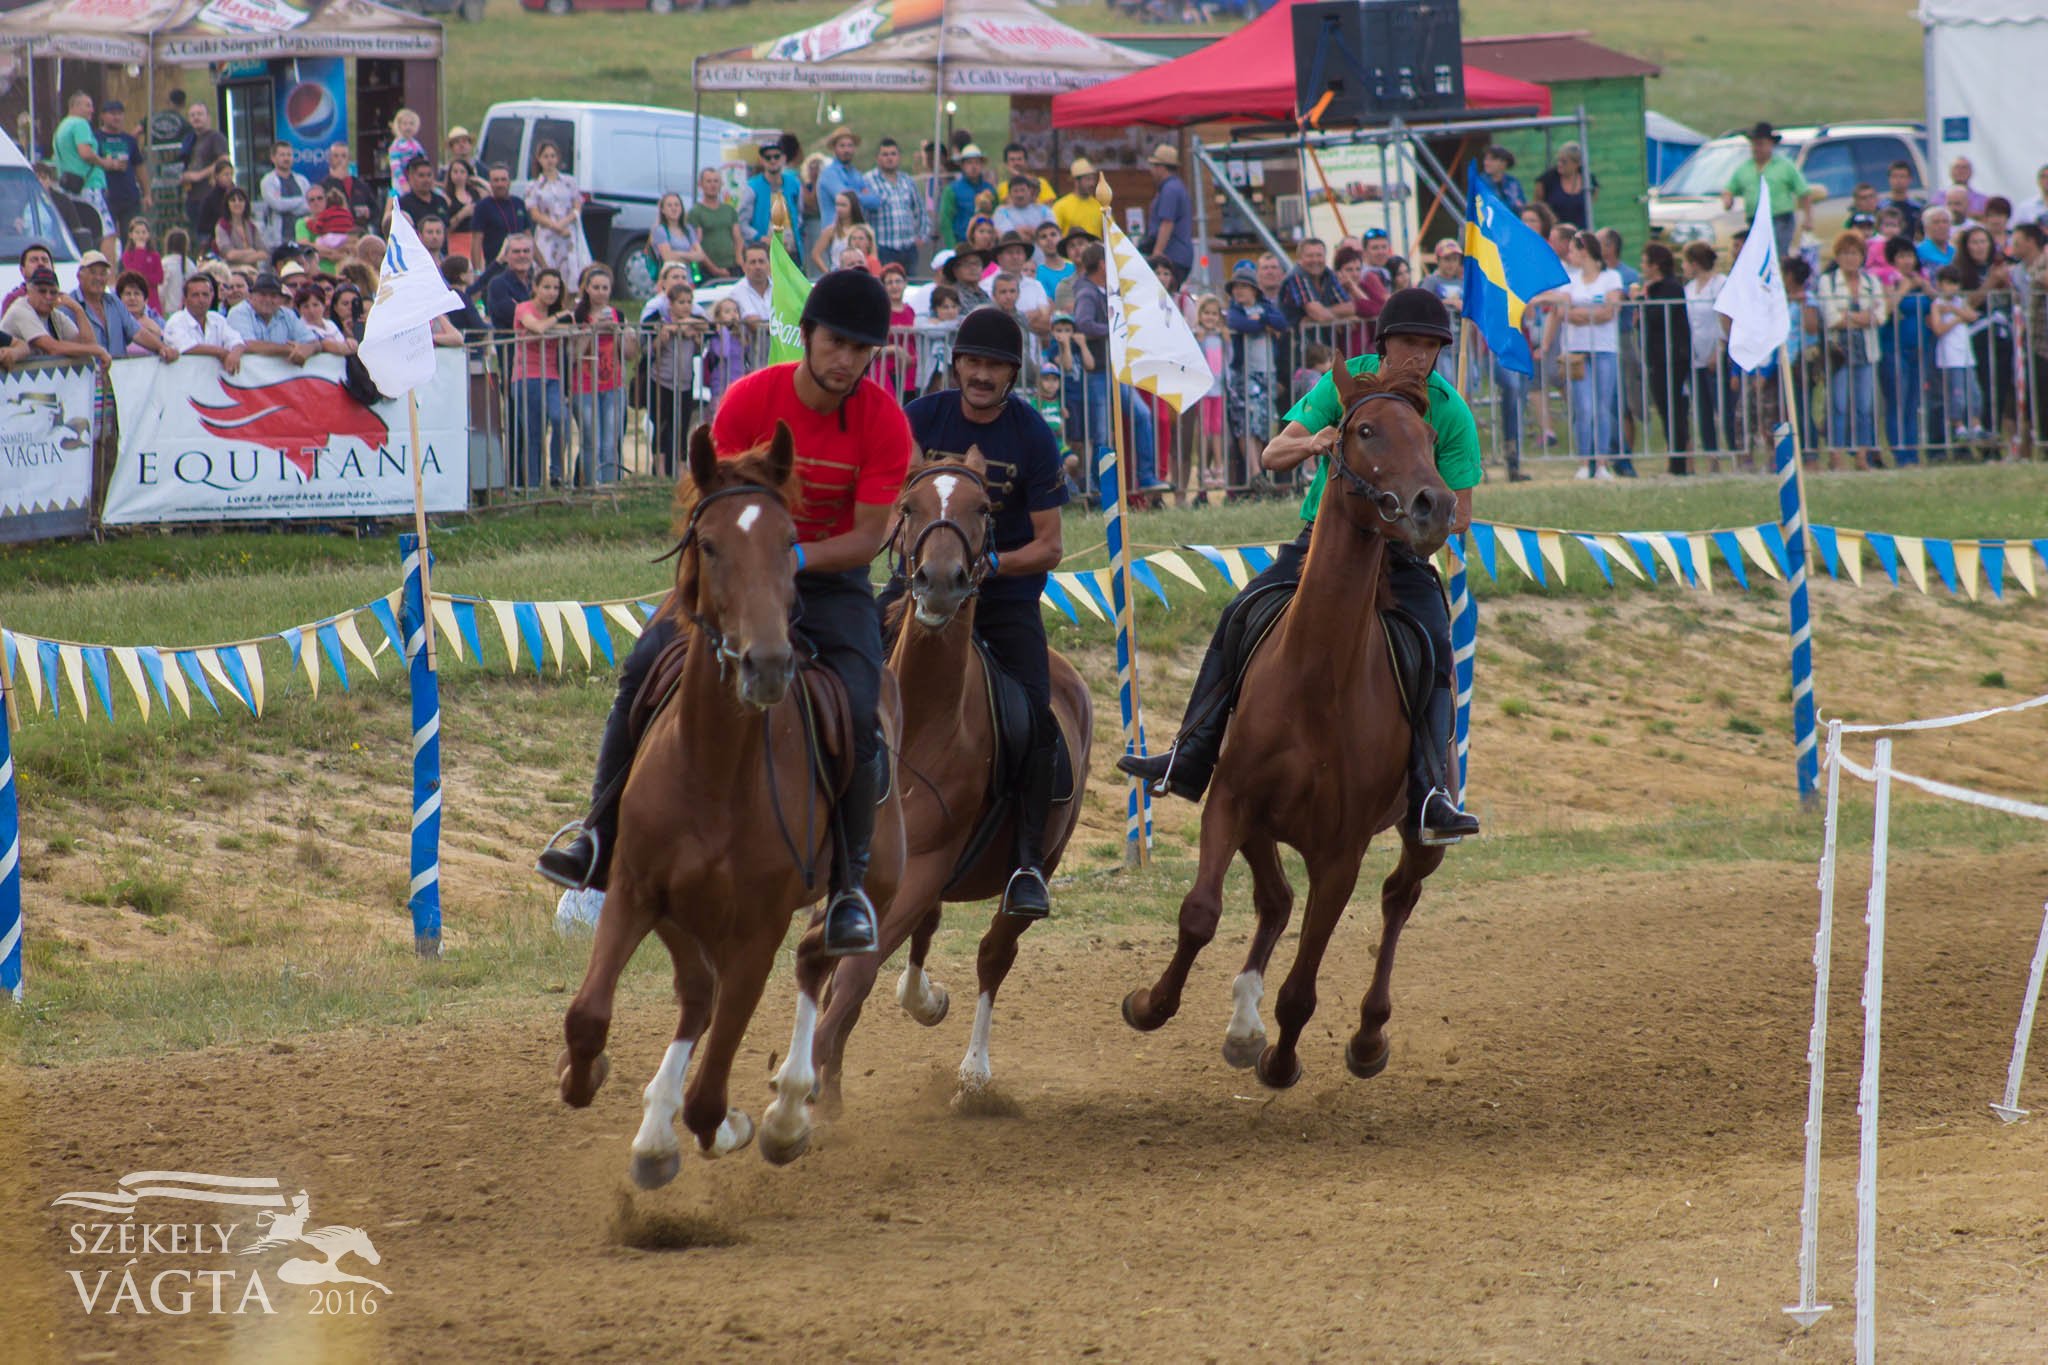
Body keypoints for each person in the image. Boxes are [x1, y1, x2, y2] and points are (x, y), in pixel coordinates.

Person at [538, 270, 912, 955]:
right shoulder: (749, 399)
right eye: (836, 342)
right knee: (642, 666)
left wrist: (792, 562)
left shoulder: (885, 419)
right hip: (735, 575)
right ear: (806, 336)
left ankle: (850, 888)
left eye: (863, 350)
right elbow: (715, 502)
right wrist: (756, 571)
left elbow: (869, 535)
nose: (847, 360)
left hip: (827, 583)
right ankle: (596, 837)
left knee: (862, 706)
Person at [1119, 288, 1480, 845]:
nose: (1420, 356)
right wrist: (1315, 440)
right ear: (1384, 342)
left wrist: (1421, 523)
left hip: (1401, 558)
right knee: (1240, 612)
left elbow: (1462, 508)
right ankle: (1188, 755)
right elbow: (1272, 455)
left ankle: (1433, 794)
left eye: (1432, 346)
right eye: (1410, 342)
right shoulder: (1345, 385)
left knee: (1435, 647)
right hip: (1324, 545)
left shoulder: (1450, 410)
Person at [886, 307, 1068, 915]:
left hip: (1003, 602)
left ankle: (1025, 864)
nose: (982, 373)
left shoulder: (1034, 436)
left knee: (1037, 721)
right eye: (974, 361)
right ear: (956, 362)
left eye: (995, 365)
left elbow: (1050, 544)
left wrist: (988, 569)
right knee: (840, 670)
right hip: (916, 586)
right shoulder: (919, 416)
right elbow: (894, 499)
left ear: (1012, 373)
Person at [1071, 241, 1164, 496]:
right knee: (1101, 432)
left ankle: (1144, 476)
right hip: (1099, 373)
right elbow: (1084, 323)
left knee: (1141, 416)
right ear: (1102, 264)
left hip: (1112, 372)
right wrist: (1116, 331)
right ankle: (1097, 486)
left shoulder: (1102, 290)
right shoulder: (1088, 293)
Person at [1551, 232, 1628, 478]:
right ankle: (1585, 462)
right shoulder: (1570, 281)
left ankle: (1602, 463)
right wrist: (1589, 313)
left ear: (1584, 251)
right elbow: (1563, 312)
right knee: (1583, 407)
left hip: (1605, 349)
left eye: (1572, 250)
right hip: (1576, 351)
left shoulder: (1611, 277)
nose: (1569, 255)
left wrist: (1579, 314)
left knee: (1603, 406)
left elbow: (1610, 311)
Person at [1813, 230, 1886, 469]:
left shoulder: (1871, 281)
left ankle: (1863, 454)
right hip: (1839, 352)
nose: (1850, 258)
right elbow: (1832, 318)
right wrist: (1864, 316)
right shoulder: (1828, 281)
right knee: (1838, 404)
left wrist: (1851, 316)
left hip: (1866, 350)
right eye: (1844, 253)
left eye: (1854, 253)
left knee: (1865, 405)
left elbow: (1881, 316)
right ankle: (1836, 454)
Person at [568, 264, 634, 485]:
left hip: (613, 385)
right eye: (596, 287)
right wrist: (593, 331)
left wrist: (619, 332)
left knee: (610, 441)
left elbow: (629, 354)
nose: (600, 292)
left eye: (605, 287)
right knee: (591, 442)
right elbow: (573, 355)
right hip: (584, 387)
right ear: (586, 288)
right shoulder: (578, 316)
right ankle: (592, 487)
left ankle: (611, 486)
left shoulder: (619, 315)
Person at [512, 267, 572, 487]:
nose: (552, 292)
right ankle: (533, 485)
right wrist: (558, 316)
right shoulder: (523, 308)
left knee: (561, 419)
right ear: (535, 287)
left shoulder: (558, 313)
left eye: (556, 288)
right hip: (527, 376)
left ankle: (556, 473)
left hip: (552, 377)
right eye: (547, 287)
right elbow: (536, 328)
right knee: (533, 434)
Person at [1637, 242, 1692, 473]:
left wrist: (1641, 300)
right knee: (1664, 409)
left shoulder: (1670, 288)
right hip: (1657, 357)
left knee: (1674, 410)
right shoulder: (1654, 288)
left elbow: (1658, 316)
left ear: (1655, 265)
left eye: (1645, 261)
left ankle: (1679, 462)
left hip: (1672, 357)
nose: (1642, 265)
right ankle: (1675, 458)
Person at [1720, 122, 1815, 257]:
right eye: (1754, 144)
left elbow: (1804, 192)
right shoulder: (1745, 168)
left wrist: (1808, 218)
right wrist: (1728, 199)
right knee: (1758, 255)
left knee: (1777, 255)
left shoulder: (1785, 166)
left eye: (1760, 144)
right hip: (1755, 220)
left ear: (1771, 144)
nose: (1756, 148)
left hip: (1780, 219)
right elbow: (1729, 188)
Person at [642, 275, 703, 477]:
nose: (686, 306)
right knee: (661, 425)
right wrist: (664, 336)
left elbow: (700, 344)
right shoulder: (660, 322)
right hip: (662, 381)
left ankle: (680, 467)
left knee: (682, 426)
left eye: (689, 302)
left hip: (684, 382)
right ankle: (659, 469)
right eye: (681, 302)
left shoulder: (693, 325)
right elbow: (652, 352)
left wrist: (693, 336)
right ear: (670, 303)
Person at [1878, 236, 1931, 466]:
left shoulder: (1921, 279)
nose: (1907, 261)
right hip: (1894, 349)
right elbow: (1886, 310)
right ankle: (1900, 452)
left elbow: (1937, 302)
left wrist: (1926, 286)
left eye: (1909, 255)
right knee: (1897, 401)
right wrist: (1904, 288)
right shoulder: (1887, 280)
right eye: (1901, 256)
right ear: (1892, 260)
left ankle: (1913, 451)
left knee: (1913, 403)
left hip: (1919, 349)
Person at [1928, 264, 1985, 445]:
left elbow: (1972, 316)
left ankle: (1976, 426)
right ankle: (1958, 426)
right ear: (1939, 285)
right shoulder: (1937, 305)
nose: (1951, 288)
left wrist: (1954, 312)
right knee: (1957, 395)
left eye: (1954, 284)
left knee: (1975, 393)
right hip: (1950, 357)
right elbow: (1938, 328)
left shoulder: (1959, 302)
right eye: (1947, 284)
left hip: (1966, 357)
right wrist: (1958, 318)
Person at [71, 249, 163, 361]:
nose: (98, 278)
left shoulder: (114, 302)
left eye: (103, 273)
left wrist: (162, 348)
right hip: (84, 375)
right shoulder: (69, 304)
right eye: (93, 272)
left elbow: (137, 332)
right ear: (79, 276)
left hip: (118, 375)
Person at [50, 91, 117, 241]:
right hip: (89, 185)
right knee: (107, 232)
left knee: (80, 231)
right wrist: (104, 162)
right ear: (75, 106)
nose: (92, 110)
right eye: (88, 106)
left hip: (70, 186)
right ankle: (108, 264)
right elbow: (85, 153)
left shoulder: (61, 127)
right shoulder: (80, 124)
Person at [863, 138, 928, 274]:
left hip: (909, 247)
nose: (889, 158)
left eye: (893, 154)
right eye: (885, 154)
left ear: (899, 157)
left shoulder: (908, 181)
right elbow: (863, 214)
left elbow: (920, 211)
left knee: (910, 286)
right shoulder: (868, 180)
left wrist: (922, 236)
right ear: (877, 158)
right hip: (883, 247)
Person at [526, 141, 588, 283]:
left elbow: (577, 207)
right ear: (539, 159)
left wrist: (564, 223)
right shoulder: (534, 185)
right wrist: (555, 226)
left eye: (552, 156)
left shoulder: (569, 181)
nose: (550, 160)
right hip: (547, 235)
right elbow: (535, 213)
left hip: (568, 233)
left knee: (571, 273)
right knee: (547, 272)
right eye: (546, 156)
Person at [227, 271, 320, 365]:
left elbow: (315, 343)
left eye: (273, 296)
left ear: (281, 300)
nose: (268, 300)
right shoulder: (238, 312)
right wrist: (289, 349)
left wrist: (307, 350)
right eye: (263, 294)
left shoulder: (287, 314)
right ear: (251, 296)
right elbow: (246, 344)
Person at [159, 274, 244, 372]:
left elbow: (237, 340)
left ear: (212, 296)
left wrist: (235, 354)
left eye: (205, 294)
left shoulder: (217, 319)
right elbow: (187, 347)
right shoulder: (175, 322)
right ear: (185, 299)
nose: (201, 300)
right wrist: (221, 352)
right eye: (195, 295)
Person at [1277, 238, 1355, 343]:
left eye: (1319, 255)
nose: (1315, 260)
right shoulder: (1296, 276)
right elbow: (1319, 315)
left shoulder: (1328, 274)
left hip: (1322, 345)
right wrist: (1338, 318)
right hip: (1295, 346)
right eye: (1310, 256)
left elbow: (1350, 308)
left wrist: (1314, 317)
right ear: (1299, 259)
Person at [739, 141, 803, 258]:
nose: (773, 160)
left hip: (792, 249)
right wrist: (760, 238)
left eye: (776, 156)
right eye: (768, 157)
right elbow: (742, 223)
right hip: (765, 251)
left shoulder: (793, 183)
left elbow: (799, 213)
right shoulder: (752, 187)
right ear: (762, 160)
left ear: (783, 158)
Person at [1142, 144, 1195, 275]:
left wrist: (1157, 255)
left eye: (1154, 166)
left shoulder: (1169, 190)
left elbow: (1167, 223)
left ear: (1162, 168)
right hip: (1179, 256)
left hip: (1171, 258)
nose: (1152, 170)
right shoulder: (1177, 186)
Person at [179, 104, 230, 237]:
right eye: (192, 115)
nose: (196, 118)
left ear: (208, 118)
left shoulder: (216, 137)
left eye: (200, 114)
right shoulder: (189, 140)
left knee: (210, 237)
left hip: (210, 197)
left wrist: (199, 175)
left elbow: (224, 161)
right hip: (192, 197)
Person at [97, 101, 145, 235]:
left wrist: (147, 193)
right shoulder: (95, 138)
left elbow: (139, 166)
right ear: (103, 116)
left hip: (129, 196)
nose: (116, 118)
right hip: (105, 195)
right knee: (107, 235)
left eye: (119, 114)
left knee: (132, 235)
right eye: (112, 114)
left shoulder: (129, 140)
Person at [473, 163, 533, 270]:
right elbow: (476, 241)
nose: (500, 184)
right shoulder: (482, 206)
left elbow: (528, 237)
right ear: (490, 183)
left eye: (503, 180)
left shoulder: (519, 203)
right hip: (496, 266)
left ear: (509, 182)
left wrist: (542, 266)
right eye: (496, 180)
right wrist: (477, 271)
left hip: (522, 263)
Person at [687, 167, 742, 280]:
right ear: (700, 185)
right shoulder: (696, 212)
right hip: (708, 269)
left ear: (721, 184)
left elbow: (737, 237)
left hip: (732, 267)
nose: (713, 185)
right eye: (709, 181)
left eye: (716, 181)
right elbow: (696, 244)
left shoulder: (729, 210)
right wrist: (714, 269)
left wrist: (739, 260)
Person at [816, 126, 877, 219]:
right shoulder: (829, 174)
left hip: (853, 230)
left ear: (854, 148)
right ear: (834, 148)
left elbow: (876, 201)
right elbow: (845, 198)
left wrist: (854, 194)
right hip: (834, 230)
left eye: (850, 145)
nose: (846, 150)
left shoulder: (856, 174)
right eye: (842, 146)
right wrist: (862, 194)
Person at [940, 144, 994, 249]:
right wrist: (953, 247)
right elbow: (945, 220)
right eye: (969, 163)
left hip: (986, 244)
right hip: (962, 243)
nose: (973, 166)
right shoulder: (952, 190)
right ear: (962, 165)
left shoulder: (989, 189)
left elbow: (995, 214)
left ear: (982, 165)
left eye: (977, 163)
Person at [1536, 142, 1597, 230]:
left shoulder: (1588, 180)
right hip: (1554, 232)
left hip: (1581, 232)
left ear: (1577, 163)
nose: (1559, 164)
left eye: (1564, 161)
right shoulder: (1546, 180)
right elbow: (1537, 207)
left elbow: (1590, 203)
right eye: (1558, 160)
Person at [810, 191, 867, 276]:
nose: (839, 208)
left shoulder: (863, 229)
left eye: (843, 205)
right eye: (837, 205)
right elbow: (815, 254)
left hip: (859, 273)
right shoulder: (831, 230)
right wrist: (828, 273)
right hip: (838, 273)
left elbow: (872, 254)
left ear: (853, 206)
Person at [320, 142, 375, 227]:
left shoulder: (361, 185)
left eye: (343, 156)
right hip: (334, 231)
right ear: (330, 159)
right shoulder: (323, 186)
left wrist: (369, 212)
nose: (340, 159)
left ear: (349, 159)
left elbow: (376, 210)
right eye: (336, 156)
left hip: (360, 231)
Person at [391, 154, 451, 233]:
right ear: (411, 177)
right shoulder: (402, 204)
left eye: (429, 175)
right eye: (421, 176)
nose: (426, 180)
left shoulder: (441, 201)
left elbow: (447, 228)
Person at [1052, 158, 1106, 242]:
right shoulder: (1061, 206)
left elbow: (1110, 233)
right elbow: (1054, 235)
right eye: (1088, 179)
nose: (1092, 183)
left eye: (1093, 179)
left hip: (1096, 254)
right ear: (1076, 181)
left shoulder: (1100, 206)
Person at [213, 188, 266, 269]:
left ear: (246, 203)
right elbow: (230, 255)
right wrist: (250, 251)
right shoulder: (222, 226)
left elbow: (263, 253)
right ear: (227, 204)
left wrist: (241, 257)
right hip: (231, 271)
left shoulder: (251, 226)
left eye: (240, 200)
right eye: (233, 200)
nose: (237, 203)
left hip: (253, 271)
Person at [729, 241, 774, 333]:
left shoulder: (779, 288)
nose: (758, 267)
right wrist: (781, 329)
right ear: (744, 266)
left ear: (769, 264)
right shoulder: (738, 291)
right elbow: (754, 324)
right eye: (753, 262)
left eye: (761, 261)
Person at [443, 158, 482, 266]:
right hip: (456, 240)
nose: (459, 175)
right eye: (455, 172)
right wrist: (462, 214)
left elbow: (491, 194)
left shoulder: (475, 194)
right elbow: (446, 227)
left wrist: (478, 180)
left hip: (475, 239)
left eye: (462, 172)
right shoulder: (447, 197)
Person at [992, 174, 1054, 242]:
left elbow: (1052, 233)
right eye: (1015, 191)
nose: (1020, 195)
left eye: (1023, 190)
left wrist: (1019, 230)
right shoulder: (1002, 211)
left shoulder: (1044, 210)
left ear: (1029, 191)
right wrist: (1036, 232)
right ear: (1009, 193)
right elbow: (1005, 235)